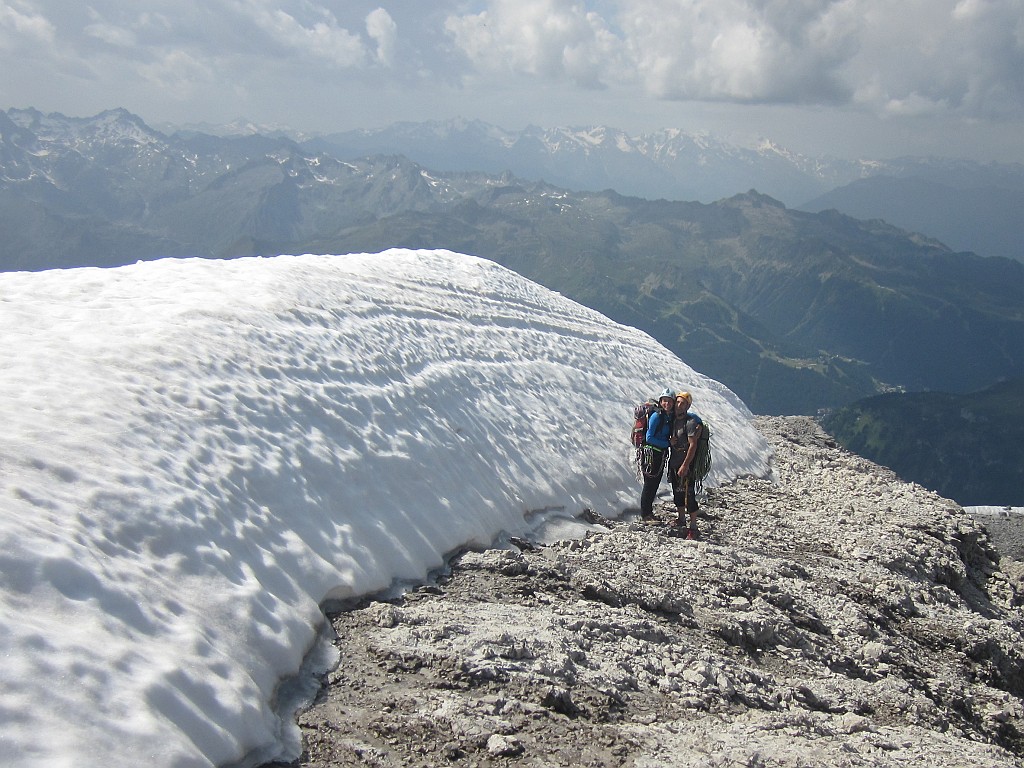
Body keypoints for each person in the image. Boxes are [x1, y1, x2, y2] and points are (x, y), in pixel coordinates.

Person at [669, 391, 705, 538]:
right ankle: (682, 518)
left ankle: (693, 526)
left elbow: (693, 445)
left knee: (688, 495)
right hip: (675, 463)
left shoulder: (690, 423)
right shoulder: (674, 420)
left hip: (685, 465)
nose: (678, 405)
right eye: (677, 402)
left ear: (687, 406)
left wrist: (685, 465)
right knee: (678, 493)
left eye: (682, 403)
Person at [638, 388, 676, 523]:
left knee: (654, 483)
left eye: (670, 401)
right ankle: (645, 515)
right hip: (651, 453)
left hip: (659, 454)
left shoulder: (667, 417)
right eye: (665, 401)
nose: (667, 404)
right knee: (650, 484)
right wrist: (667, 443)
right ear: (661, 402)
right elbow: (649, 437)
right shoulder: (657, 416)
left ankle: (648, 513)